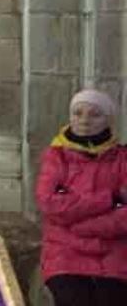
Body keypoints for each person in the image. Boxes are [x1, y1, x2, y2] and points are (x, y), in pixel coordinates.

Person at [36, 89, 127, 306]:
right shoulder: (56, 157)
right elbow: (51, 203)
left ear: (108, 120)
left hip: (114, 253)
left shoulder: (122, 159)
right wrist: (110, 199)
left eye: (94, 114)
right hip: (65, 253)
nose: (84, 120)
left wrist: (80, 225)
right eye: (78, 113)